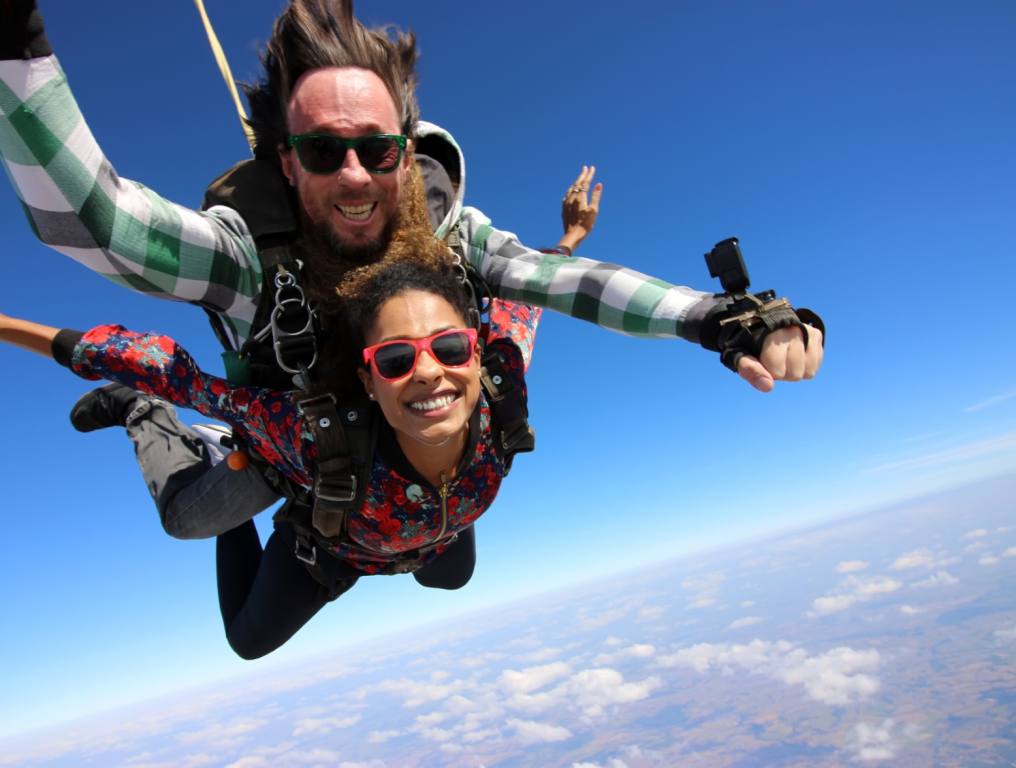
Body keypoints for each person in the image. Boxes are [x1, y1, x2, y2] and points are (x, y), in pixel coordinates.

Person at [0, 0, 823, 535]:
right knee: (191, 521)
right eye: (324, 152)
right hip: (289, 439)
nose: (354, 175)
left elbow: (558, 285)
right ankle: (153, 417)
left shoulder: (452, 241)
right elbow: (98, 226)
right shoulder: (251, 259)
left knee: (447, 554)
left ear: (404, 152)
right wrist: (18, 52)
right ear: (286, 165)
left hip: (391, 452)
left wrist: (716, 318)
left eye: (374, 149)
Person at [0, 225, 541, 659]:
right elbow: (180, 379)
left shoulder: (502, 390)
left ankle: (261, 465)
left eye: (449, 348)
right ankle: (159, 422)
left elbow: (530, 298)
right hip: (329, 544)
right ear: (369, 382)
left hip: (430, 536)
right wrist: (9, 327)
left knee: (453, 578)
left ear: (476, 353)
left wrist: (567, 242)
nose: (428, 372)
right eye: (396, 360)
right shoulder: (315, 432)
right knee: (245, 638)